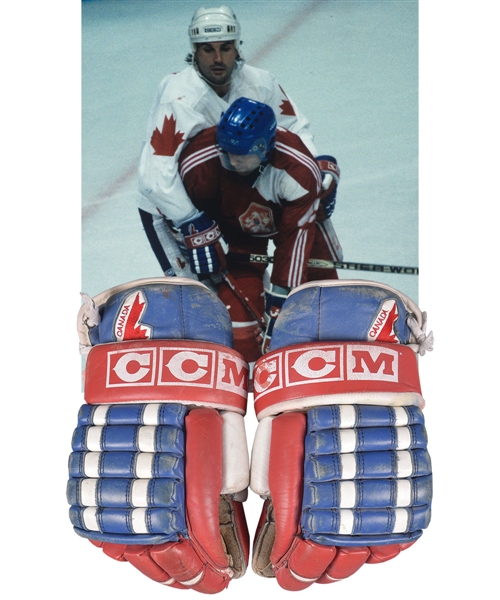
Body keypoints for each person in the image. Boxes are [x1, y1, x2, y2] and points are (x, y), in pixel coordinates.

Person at [137, 5, 340, 278]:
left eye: (226, 48)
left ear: (238, 48)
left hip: (236, 194)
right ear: (194, 51)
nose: (218, 58)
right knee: (201, 295)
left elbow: (294, 129)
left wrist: (316, 169)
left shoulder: (261, 83)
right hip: (174, 207)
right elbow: (154, 177)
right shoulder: (179, 99)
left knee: (306, 256)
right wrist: (190, 221)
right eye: (208, 49)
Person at [173, 97, 341, 364]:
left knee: (323, 296)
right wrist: (197, 235)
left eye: (239, 155)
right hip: (238, 235)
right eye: (226, 151)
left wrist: (278, 305)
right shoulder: (199, 164)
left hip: (298, 225)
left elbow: (293, 244)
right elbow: (167, 209)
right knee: (236, 317)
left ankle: (331, 358)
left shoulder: (297, 172)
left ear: (263, 149)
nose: (230, 160)